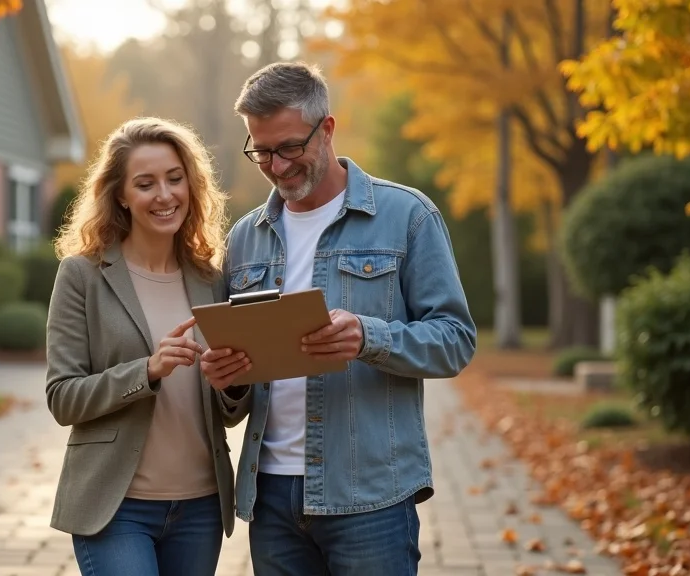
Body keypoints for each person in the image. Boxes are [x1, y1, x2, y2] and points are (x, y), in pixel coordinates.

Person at [201, 62, 477, 575]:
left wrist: (369, 337)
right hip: (271, 495)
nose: (276, 166)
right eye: (261, 151)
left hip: (371, 493)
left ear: (327, 128)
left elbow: (456, 340)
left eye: (288, 148)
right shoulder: (244, 237)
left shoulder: (408, 216)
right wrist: (229, 382)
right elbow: (234, 394)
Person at [45, 117, 236, 576]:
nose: (165, 195)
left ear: (192, 185)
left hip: (201, 506)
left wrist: (232, 382)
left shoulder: (212, 279)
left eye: (175, 179)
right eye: (145, 184)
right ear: (121, 196)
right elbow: (62, 397)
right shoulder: (82, 276)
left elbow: (230, 408)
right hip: (116, 506)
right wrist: (146, 371)